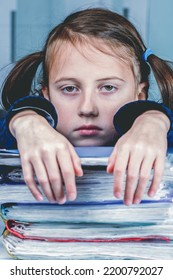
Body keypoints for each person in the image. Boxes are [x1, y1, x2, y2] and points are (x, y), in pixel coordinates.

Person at [0, 8, 173, 206]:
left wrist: (155, 121)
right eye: (70, 88)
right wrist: (26, 121)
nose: (88, 108)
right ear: (47, 96)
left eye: (108, 87)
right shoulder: (21, 133)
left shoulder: (159, 130)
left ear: (139, 94)